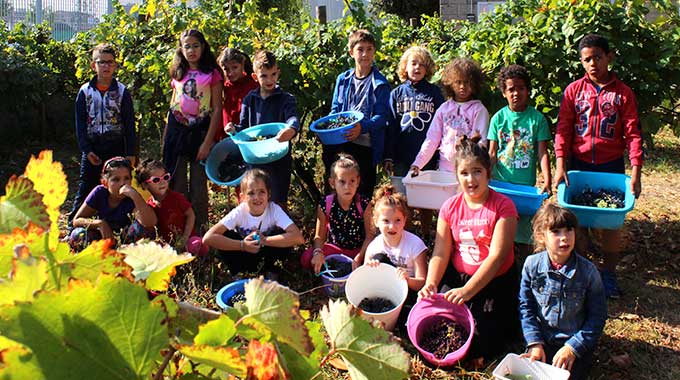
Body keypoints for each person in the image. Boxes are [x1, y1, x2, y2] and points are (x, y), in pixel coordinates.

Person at [554, 34, 643, 299]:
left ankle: (608, 274)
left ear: (609, 57)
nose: (592, 64)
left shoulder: (622, 94)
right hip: (578, 165)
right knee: (576, 221)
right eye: (587, 59)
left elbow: (633, 134)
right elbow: (563, 130)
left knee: (611, 224)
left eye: (597, 57)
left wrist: (636, 171)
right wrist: (560, 164)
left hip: (610, 165)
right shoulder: (573, 91)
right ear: (581, 62)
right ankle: (580, 272)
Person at [418, 135, 519, 366]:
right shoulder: (449, 207)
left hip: (495, 281)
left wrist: (467, 291)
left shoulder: (503, 206)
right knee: (437, 320)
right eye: (464, 173)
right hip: (458, 276)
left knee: (482, 341)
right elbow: (441, 253)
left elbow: (497, 257)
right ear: (457, 176)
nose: (470, 179)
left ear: (488, 174)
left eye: (477, 171)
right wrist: (431, 283)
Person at [519, 203, 607, 380]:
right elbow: (525, 307)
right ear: (541, 236)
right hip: (542, 339)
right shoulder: (531, 265)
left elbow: (597, 317)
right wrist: (534, 342)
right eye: (556, 232)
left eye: (569, 230)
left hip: (574, 342)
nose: (564, 237)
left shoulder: (589, 272)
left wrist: (572, 348)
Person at [68, 43, 136, 227]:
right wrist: (86, 149)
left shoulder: (122, 91)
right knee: (86, 185)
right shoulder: (85, 91)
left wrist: (130, 152)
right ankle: (73, 224)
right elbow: (80, 123)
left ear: (115, 65)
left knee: (117, 185)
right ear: (93, 66)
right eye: (101, 62)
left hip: (115, 144)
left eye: (110, 62)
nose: (106, 66)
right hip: (93, 146)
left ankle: (120, 223)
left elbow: (130, 123)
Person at [488, 64, 551, 260]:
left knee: (524, 234)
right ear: (504, 93)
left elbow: (542, 153)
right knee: (500, 231)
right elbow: (492, 151)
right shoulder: (498, 118)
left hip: (525, 187)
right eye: (511, 89)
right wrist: (486, 176)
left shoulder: (537, 119)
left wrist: (547, 179)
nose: (516, 93)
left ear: (528, 91)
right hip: (500, 184)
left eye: (521, 88)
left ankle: (523, 270)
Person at [163, 29, 223, 234]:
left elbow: (217, 110)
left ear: (203, 47)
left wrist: (207, 142)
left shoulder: (212, 73)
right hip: (177, 131)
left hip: (200, 131)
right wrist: (166, 138)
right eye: (187, 46)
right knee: (176, 183)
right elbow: (173, 104)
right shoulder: (178, 72)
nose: (191, 50)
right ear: (181, 49)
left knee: (198, 187)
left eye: (195, 45)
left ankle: (201, 233)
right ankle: (180, 232)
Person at [384, 46, 445, 238]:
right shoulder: (396, 94)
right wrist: (388, 156)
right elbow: (391, 126)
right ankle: (407, 235)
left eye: (422, 64)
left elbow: (442, 125)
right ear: (405, 66)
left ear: (427, 69)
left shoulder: (434, 93)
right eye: (413, 63)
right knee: (403, 199)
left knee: (425, 200)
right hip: (402, 154)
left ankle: (426, 234)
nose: (417, 67)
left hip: (427, 156)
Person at [322, 29, 391, 197]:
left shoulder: (380, 84)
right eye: (360, 49)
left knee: (363, 191)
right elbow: (335, 111)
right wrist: (328, 131)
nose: (365, 54)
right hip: (342, 141)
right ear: (351, 52)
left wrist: (362, 127)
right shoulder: (343, 80)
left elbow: (382, 118)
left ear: (374, 52)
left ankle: (362, 222)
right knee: (339, 188)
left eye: (369, 49)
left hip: (366, 145)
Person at [202, 169, 304, 277]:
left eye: (261, 192)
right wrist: (242, 245)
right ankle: (238, 273)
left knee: (283, 232)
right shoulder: (239, 212)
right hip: (244, 256)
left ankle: (272, 271)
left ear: (268, 194)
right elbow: (208, 238)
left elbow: (298, 238)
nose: (257, 198)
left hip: (267, 255)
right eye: (251, 193)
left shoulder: (274, 210)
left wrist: (265, 240)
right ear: (242, 197)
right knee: (225, 234)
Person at [238, 50, 299, 206]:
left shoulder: (286, 99)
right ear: (255, 77)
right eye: (264, 76)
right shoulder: (249, 100)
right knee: (256, 200)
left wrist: (291, 129)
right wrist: (233, 130)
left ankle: (279, 230)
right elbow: (243, 129)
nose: (269, 80)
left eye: (273, 74)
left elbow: (292, 118)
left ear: (278, 73)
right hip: (255, 161)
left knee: (278, 202)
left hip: (279, 160)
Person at [410, 57, 489, 176]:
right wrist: (417, 164)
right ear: (450, 84)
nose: (462, 86)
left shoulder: (479, 110)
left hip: (468, 172)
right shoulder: (443, 109)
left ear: (475, 84)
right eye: (458, 82)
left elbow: (481, 143)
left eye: (467, 82)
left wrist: (466, 145)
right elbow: (431, 139)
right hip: (444, 170)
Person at [302, 154, 374, 273]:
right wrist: (318, 252)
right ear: (332, 183)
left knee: (375, 260)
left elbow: (369, 236)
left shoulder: (364, 204)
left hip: (359, 250)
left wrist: (360, 257)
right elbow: (319, 236)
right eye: (342, 182)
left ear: (358, 181)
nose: (347, 187)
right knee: (307, 258)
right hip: (334, 249)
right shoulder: (326, 204)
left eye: (352, 181)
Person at [69, 157, 156, 251]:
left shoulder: (132, 197)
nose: (122, 183)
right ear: (105, 183)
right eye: (116, 180)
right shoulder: (99, 193)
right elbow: (77, 220)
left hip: (126, 243)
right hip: (103, 239)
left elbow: (150, 223)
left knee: (146, 231)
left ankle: (128, 257)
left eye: (126, 178)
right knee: (78, 234)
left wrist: (135, 196)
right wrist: (100, 224)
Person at [364, 184, 428, 293]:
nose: (392, 226)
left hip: (409, 291)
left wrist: (407, 280)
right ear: (376, 221)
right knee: (378, 258)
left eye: (397, 220)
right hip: (384, 290)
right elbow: (364, 278)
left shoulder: (415, 244)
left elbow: (422, 282)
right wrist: (370, 268)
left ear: (404, 220)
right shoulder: (374, 246)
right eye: (386, 221)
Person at [135, 159, 207, 256]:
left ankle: (199, 262)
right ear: (145, 185)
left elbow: (190, 214)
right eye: (156, 180)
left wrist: (185, 237)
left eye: (165, 177)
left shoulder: (176, 198)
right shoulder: (149, 206)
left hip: (186, 239)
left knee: (198, 245)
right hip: (165, 246)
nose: (162, 182)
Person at [218, 47, 258, 141]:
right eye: (226, 69)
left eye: (235, 67)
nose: (231, 73)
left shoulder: (253, 86)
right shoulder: (223, 87)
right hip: (226, 135)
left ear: (242, 64)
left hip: (247, 135)